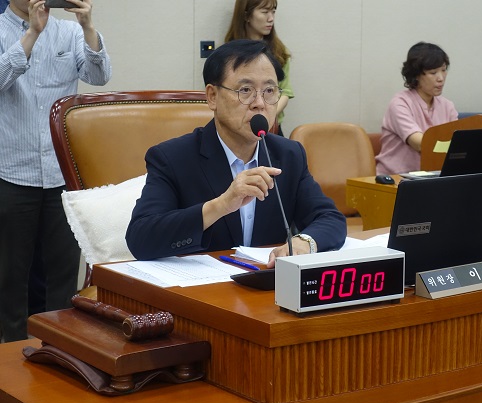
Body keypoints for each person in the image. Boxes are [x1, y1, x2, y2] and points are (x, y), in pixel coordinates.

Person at [126, 39, 346, 266]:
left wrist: (304, 242)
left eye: (269, 91)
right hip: (203, 285)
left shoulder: (288, 155)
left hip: (266, 283)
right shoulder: (172, 158)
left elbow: (330, 219)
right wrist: (221, 205)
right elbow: (141, 239)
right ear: (212, 96)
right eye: (245, 90)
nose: (259, 103)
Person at [0, 0, 111, 343]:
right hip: (11, 172)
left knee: (63, 277)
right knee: (10, 277)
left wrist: (88, 26)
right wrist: (32, 33)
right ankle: (11, 356)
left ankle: (60, 350)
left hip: (61, 173)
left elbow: (99, 76)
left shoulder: (70, 31)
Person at [375, 42, 458, 175]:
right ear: (416, 75)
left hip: (433, 176)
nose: (441, 78)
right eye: (433, 73)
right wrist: (451, 146)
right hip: (397, 178)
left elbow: (458, 145)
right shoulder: (400, 103)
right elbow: (420, 144)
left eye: (443, 70)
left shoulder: (447, 106)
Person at [225, 0, 293, 136]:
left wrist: (266, 114)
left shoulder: (279, 52)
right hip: (238, 128)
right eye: (265, 12)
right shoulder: (228, 54)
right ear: (246, 15)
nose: (271, 18)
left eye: (273, 12)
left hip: (271, 127)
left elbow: (285, 92)